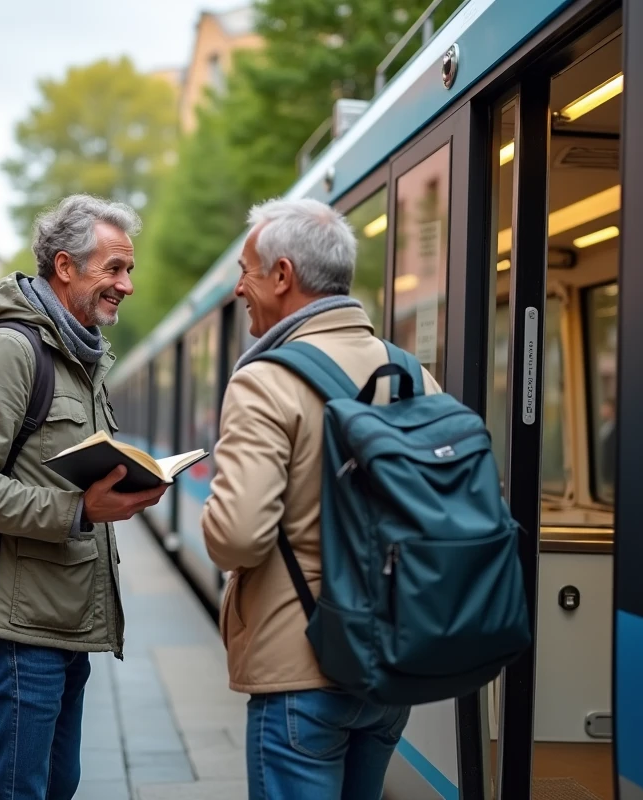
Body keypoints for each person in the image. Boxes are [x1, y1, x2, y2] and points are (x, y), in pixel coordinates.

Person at [0, 194, 168, 800]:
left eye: (128, 270)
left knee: (56, 787)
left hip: (58, 625)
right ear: (65, 266)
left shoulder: (80, 358)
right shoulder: (10, 352)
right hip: (14, 635)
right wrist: (77, 511)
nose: (126, 285)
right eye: (114, 269)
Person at [201, 198, 442, 800]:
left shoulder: (267, 380)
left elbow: (236, 536)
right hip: (390, 662)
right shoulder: (411, 373)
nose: (239, 289)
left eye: (246, 271)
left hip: (301, 666)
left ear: (282, 276)